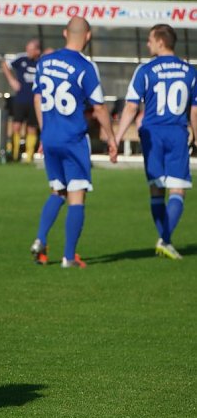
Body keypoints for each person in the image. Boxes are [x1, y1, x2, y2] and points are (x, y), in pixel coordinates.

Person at [29, 16, 118, 268]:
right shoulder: (86, 66)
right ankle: (69, 257)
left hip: (51, 136)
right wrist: (111, 139)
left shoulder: (45, 61)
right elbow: (99, 109)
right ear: (88, 36)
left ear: (65, 33)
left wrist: (45, 134)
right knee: (76, 196)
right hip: (73, 138)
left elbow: (37, 101)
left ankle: (40, 239)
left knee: (57, 190)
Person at [113, 24, 197, 259]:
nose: (148, 44)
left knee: (156, 188)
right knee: (178, 189)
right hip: (177, 133)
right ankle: (165, 240)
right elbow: (195, 111)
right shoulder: (190, 72)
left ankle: (164, 239)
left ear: (161, 42)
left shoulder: (145, 70)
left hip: (151, 135)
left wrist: (117, 139)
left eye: (150, 40)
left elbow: (131, 106)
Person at [1, 38, 42, 162]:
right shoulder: (21, 59)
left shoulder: (41, 62)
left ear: (37, 50)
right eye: (27, 49)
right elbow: (4, 64)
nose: (28, 52)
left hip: (34, 100)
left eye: (31, 50)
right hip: (20, 99)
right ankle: (14, 155)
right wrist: (12, 80)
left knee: (31, 128)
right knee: (16, 125)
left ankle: (29, 156)